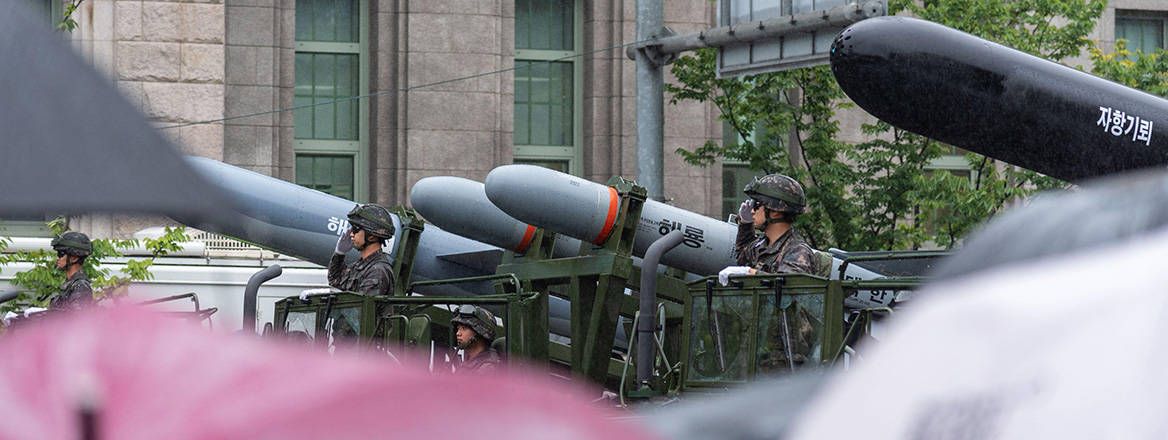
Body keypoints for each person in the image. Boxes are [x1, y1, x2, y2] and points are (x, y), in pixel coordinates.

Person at [719, 174, 817, 285]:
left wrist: (751, 273)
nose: (752, 211)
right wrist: (745, 224)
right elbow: (743, 256)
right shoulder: (763, 244)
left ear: (775, 211)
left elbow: (789, 288)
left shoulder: (797, 251)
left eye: (756, 205)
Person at [328, 204, 396, 296]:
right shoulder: (360, 266)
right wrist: (339, 253)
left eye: (356, 230)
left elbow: (362, 308)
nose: (351, 234)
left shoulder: (377, 271)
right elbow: (335, 281)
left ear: (371, 236)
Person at [49, 231, 94, 311]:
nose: (57, 258)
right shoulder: (70, 283)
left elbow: (76, 320)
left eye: (61, 254)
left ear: (74, 258)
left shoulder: (80, 286)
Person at [451, 305, 501, 374]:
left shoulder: (487, 368)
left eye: (463, 328)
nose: (458, 333)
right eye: (458, 329)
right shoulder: (470, 361)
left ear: (479, 333)